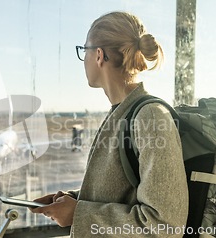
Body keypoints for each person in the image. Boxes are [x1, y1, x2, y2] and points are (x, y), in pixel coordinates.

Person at [29, 11, 188, 237]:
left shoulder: (150, 117)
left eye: (84, 50)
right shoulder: (121, 112)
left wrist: (79, 214)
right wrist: (74, 200)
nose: (83, 59)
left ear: (99, 55)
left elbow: (165, 224)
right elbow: (126, 193)